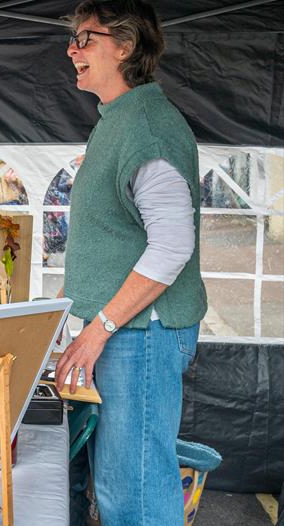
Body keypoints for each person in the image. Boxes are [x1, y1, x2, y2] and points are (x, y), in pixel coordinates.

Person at [55, 2, 207, 524]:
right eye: (72, 39)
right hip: (128, 334)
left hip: (140, 337)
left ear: (125, 45)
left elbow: (171, 245)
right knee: (122, 488)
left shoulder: (146, 125)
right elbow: (114, 235)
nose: (72, 49)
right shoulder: (118, 120)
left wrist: (98, 329)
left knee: (135, 496)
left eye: (85, 38)